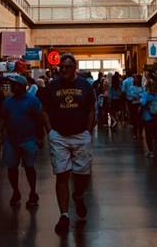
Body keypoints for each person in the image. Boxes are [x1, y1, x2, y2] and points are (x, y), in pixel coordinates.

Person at [41, 53, 95, 235]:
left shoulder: (84, 86)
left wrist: (88, 130)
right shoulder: (52, 86)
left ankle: (78, 195)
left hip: (80, 135)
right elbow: (45, 109)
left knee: (83, 174)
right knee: (62, 174)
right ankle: (64, 215)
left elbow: (90, 110)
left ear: (74, 68)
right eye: (62, 67)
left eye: (67, 67)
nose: (63, 70)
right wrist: (50, 131)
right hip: (59, 136)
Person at [0, 74, 43, 208]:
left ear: (23, 86)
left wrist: (40, 137)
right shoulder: (8, 101)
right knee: (12, 168)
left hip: (28, 138)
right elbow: (4, 117)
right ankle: (16, 191)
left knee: (29, 167)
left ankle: (33, 192)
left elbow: (38, 119)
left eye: (15, 84)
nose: (12, 87)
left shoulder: (32, 100)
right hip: (11, 140)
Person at [139, 79, 157, 158]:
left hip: (148, 116)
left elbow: (142, 103)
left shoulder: (146, 94)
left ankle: (151, 151)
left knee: (148, 134)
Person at [126, 74, 145, 140]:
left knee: (141, 120)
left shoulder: (141, 87)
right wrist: (138, 95)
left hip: (140, 104)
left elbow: (143, 94)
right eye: (135, 79)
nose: (136, 80)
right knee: (135, 120)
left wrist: (137, 95)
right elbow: (132, 94)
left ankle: (140, 133)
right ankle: (135, 134)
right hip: (134, 104)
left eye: (137, 78)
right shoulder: (132, 87)